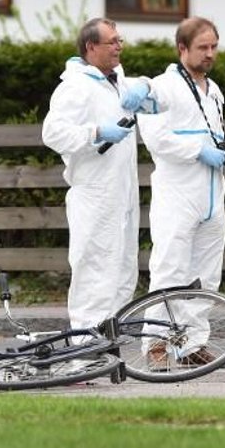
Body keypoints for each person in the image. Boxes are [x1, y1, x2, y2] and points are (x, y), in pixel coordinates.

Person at [42, 17, 154, 330]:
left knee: (122, 270)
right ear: (91, 47)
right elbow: (53, 134)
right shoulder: (76, 87)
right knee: (94, 271)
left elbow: (156, 93)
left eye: (120, 40)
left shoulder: (117, 81)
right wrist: (96, 132)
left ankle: (106, 346)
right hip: (94, 193)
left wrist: (146, 85)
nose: (119, 46)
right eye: (112, 41)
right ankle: (83, 352)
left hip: (122, 192)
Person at [135, 17, 225, 367]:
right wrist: (197, 151)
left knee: (207, 272)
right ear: (182, 49)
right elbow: (156, 137)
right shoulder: (162, 87)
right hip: (177, 193)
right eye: (202, 47)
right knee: (169, 269)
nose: (209, 54)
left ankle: (190, 343)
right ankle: (156, 343)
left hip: (211, 192)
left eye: (213, 47)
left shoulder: (214, 90)